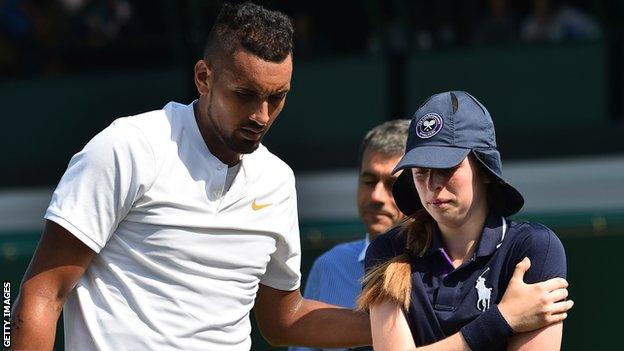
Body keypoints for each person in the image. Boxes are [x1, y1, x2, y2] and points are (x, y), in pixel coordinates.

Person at [11, 2, 572, 350]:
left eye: (277, 98)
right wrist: (487, 324)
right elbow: (36, 293)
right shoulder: (127, 147)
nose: (261, 115)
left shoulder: (276, 180)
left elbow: (282, 319)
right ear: (203, 77)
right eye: (245, 95)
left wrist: (417, 316)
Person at [358, 91, 573, 350]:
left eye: (446, 168)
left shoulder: (532, 248)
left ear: (484, 170)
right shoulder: (388, 251)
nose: (432, 185)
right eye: (420, 171)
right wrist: (503, 319)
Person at [289, 119, 410, 351]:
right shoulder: (330, 267)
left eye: (392, 184)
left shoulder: (443, 267)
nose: (376, 196)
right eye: (368, 181)